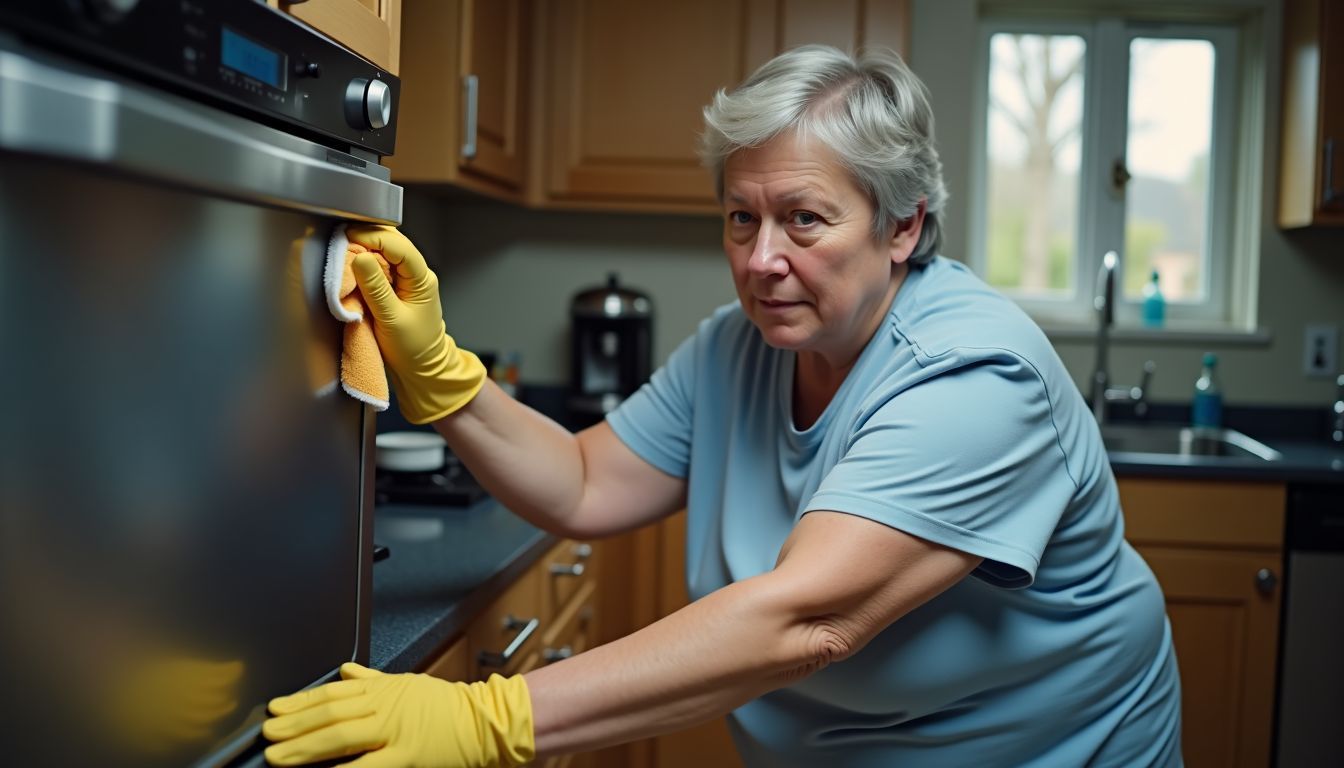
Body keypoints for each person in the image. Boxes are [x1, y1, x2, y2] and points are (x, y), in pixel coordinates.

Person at [261, 44, 1182, 767]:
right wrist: (446, 382)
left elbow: (806, 620)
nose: (760, 258)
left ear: (903, 226)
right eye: (742, 217)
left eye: (805, 218)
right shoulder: (736, 348)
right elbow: (584, 482)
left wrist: (490, 717)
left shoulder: (976, 375)